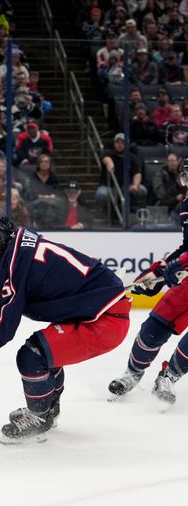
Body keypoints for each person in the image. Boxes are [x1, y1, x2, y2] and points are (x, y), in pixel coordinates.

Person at [0, 213, 131, 443]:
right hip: (102, 311)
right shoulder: (22, 245)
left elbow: (4, 324)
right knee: (49, 352)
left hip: (105, 321)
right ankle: (49, 408)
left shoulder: (16, 264)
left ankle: (39, 416)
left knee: (32, 355)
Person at [108, 157, 188, 408]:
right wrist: (162, 268)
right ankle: (133, 374)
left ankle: (169, 376)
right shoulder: (186, 206)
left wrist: (181, 263)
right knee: (155, 325)